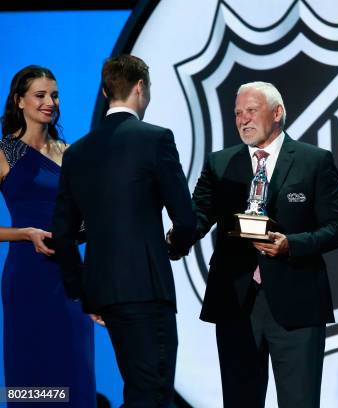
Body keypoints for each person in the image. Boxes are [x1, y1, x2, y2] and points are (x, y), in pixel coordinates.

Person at [181, 81, 338, 408]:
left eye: (251, 111)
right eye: (237, 113)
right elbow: (198, 216)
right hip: (236, 304)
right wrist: (177, 237)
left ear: (277, 113)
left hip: (297, 304)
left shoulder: (313, 161)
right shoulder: (220, 163)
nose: (243, 119)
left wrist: (293, 244)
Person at [52, 55, 196, 407]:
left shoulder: (78, 153)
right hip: (146, 288)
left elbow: (63, 232)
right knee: (153, 392)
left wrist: (83, 290)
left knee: (138, 386)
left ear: (104, 91)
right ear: (141, 88)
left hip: (105, 293)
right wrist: (174, 247)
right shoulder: (156, 139)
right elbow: (187, 220)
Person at [0, 66, 95, 406]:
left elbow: (85, 219)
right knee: (32, 373)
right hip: (26, 278)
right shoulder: (5, 152)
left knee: (75, 370)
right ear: (19, 100)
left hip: (68, 276)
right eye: (40, 95)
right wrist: (25, 234)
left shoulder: (68, 153)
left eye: (53, 95)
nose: (49, 102)